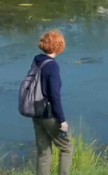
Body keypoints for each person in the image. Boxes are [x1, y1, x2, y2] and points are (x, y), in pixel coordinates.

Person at [32, 30, 73, 175]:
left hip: (35, 111)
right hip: (49, 114)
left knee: (44, 152)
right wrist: (62, 120)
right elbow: (54, 96)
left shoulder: (37, 61)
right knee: (66, 147)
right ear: (58, 45)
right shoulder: (52, 67)